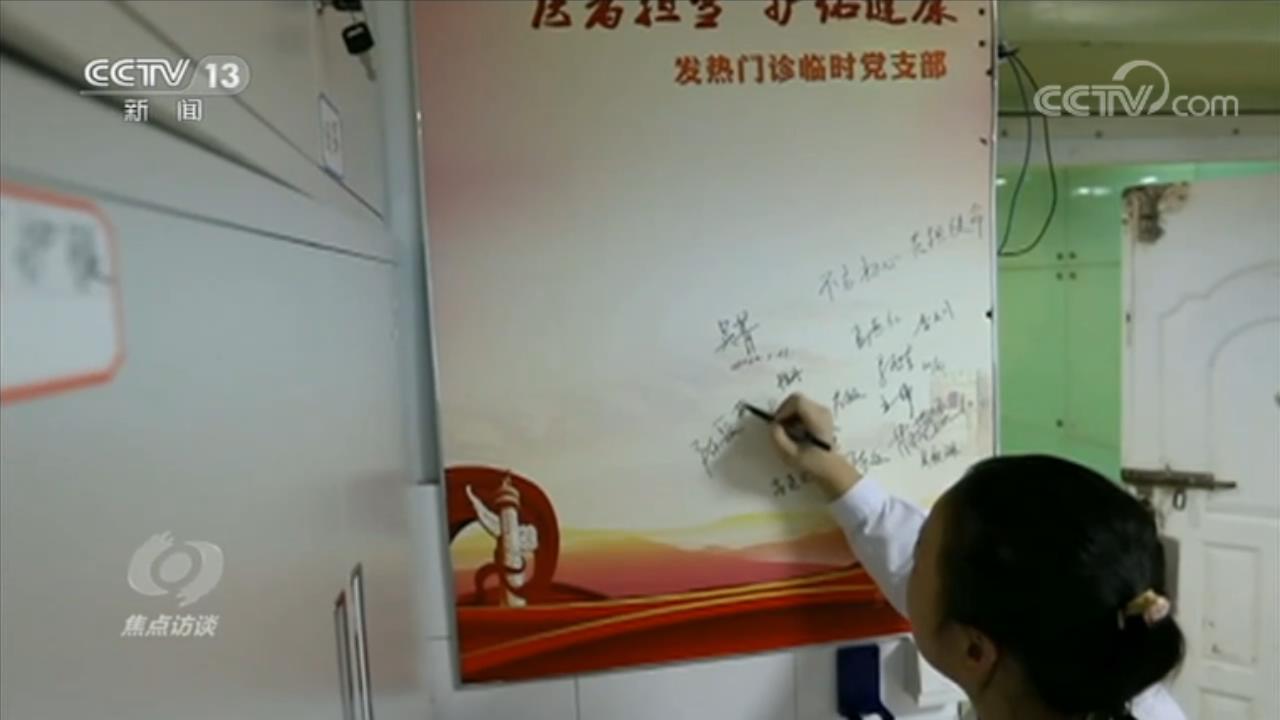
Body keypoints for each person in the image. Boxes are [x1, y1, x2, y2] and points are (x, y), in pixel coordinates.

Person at [767, 393, 1187, 720]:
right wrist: (830, 467)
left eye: (920, 550)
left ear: (974, 651)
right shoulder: (1103, 662)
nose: (911, 560)